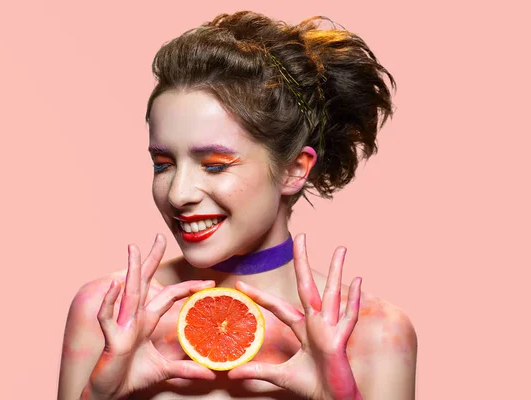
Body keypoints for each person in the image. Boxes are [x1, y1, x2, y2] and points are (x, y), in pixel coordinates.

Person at [58, 11, 417, 400]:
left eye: (214, 165)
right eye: (163, 164)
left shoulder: (374, 332)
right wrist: (96, 395)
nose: (178, 193)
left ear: (294, 170)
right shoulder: (107, 313)